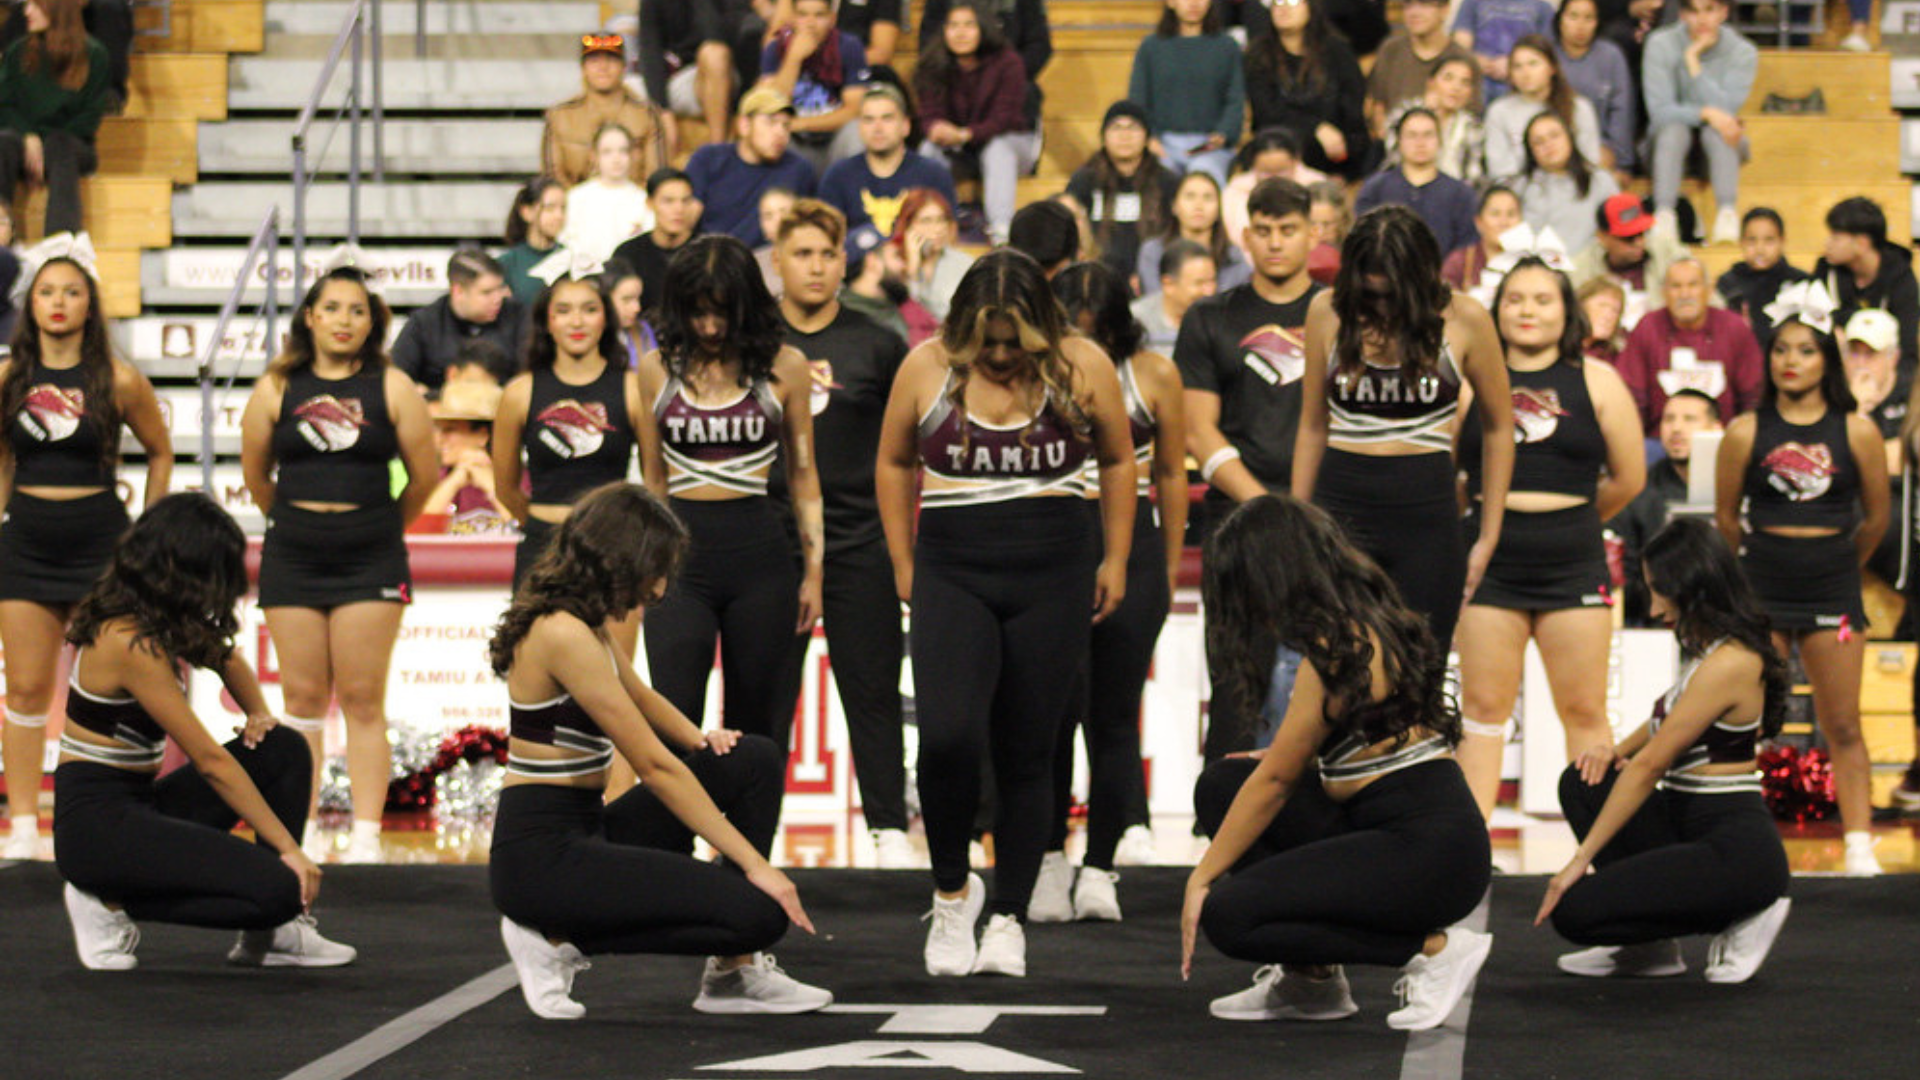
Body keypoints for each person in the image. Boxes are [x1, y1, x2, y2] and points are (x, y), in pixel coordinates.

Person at [876, 249, 1136, 978]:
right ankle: (954, 892)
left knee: (1029, 748)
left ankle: (1010, 917)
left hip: (1054, 571)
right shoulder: (926, 368)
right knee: (949, 738)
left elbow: (1118, 460)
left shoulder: (1082, 365)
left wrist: (1114, 558)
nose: (997, 355)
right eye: (984, 341)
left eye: (1011, 341)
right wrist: (904, 561)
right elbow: (894, 462)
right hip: (953, 571)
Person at [487, 482, 832, 1020]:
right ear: (619, 560)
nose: (661, 587)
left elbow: (643, 697)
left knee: (753, 759)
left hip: (586, 830)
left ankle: (733, 973)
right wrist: (757, 864)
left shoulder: (584, 623)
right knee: (760, 914)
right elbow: (653, 764)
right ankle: (554, 939)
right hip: (541, 856)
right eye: (656, 570)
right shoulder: (561, 633)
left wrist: (703, 740)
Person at [1182, 495, 1491, 1032]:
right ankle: (1312, 981)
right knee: (1224, 784)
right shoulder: (1361, 619)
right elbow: (1305, 755)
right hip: (1400, 829)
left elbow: (1277, 781)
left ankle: (1433, 949)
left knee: (1229, 916)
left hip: (1430, 853)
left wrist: (1200, 879)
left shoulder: (1339, 644)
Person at [53, 494, 356, 971]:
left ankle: (274, 935)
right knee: (280, 889)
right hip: (97, 827)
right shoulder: (128, 641)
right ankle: (107, 902)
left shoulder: (157, 615)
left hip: (139, 805)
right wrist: (289, 851)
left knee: (283, 749)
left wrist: (259, 713)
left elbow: (227, 657)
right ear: (185, 570)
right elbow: (211, 762)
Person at [1536, 517, 1791, 984]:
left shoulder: (1732, 661)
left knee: (1575, 912)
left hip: (1733, 850)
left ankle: (1748, 912)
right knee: (1584, 781)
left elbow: (1651, 763)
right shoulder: (1710, 649)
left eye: (1661, 590)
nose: (1653, 608)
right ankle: (1650, 950)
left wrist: (1575, 863)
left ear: (1695, 584)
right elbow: (1662, 722)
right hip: (1687, 823)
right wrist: (1610, 751)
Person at [240, 265, 439, 863]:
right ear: (310, 316)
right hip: (293, 553)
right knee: (300, 699)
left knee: (361, 697)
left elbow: (424, 477)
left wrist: (372, 527)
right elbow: (256, 475)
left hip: (371, 553)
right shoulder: (277, 385)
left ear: (372, 320)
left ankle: (366, 838)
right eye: (332, 308)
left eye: (357, 310)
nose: (344, 320)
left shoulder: (393, 385)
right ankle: (294, 838)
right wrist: (303, 522)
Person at [1454, 257, 1646, 818]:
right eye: (1516, 299)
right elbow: (1449, 478)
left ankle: (1595, 850)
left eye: (1543, 299)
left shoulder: (1599, 380)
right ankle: (1466, 858)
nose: (1528, 311)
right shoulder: (1469, 381)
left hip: (1574, 563)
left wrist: (1571, 520)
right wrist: (1488, 525)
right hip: (1489, 565)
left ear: (1569, 312)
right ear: (1497, 309)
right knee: (1483, 711)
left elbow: (1629, 479)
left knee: (1585, 711)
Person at [0, 236, 171, 861]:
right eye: (47, 292)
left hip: (103, 545)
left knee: (117, 687)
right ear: (31, 303)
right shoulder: (8, 377)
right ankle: (22, 826)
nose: (59, 303)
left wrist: (144, 534)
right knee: (23, 690)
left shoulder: (119, 378)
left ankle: (117, 818)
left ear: (90, 304)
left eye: (72, 292)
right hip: (26, 545)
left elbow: (160, 450)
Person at [1032, 261, 1187, 924]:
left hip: (1135, 546)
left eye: (1097, 331)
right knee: (1050, 716)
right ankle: (1045, 861)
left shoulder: (1153, 374)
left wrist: (1168, 562)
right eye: (1073, 330)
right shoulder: (1037, 372)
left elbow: (1174, 475)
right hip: (1057, 545)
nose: (1085, 343)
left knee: (1115, 716)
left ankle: (1101, 867)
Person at [1715, 284, 1888, 875]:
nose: (1792, 360)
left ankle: (1860, 845)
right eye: (1782, 349)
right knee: (1747, 722)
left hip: (1832, 589)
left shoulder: (1856, 431)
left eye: (1807, 350)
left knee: (1842, 722)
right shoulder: (1744, 431)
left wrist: (1837, 563)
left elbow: (1877, 519)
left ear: (1827, 360)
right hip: (1760, 585)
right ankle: (1738, 843)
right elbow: (1724, 518)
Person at [1295, 206, 1515, 653]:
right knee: (1339, 671)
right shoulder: (1326, 310)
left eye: (1391, 295)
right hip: (1340, 509)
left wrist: (1489, 535)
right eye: (1370, 295)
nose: (1380, 307)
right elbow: (1313, 425)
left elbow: (1499, 427)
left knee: (1420, 676)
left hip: (1427, 517)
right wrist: (1296, 523)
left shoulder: (1466, 318)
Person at [768, 199, 914, 867]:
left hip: (861, 538)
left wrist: (903, 546)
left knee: (873, 690)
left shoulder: (880, 340)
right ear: (777, 262)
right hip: (774, 540)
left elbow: (905, 455)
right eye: (803, 254)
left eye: (828, 255)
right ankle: (751, 836)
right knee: (767, 699)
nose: (817, 267)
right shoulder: (752, 342)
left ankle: (888, 830)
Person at [636, 235, 823, 755]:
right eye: (698, 314)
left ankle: (742, 840)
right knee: (672, 718)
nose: (712, 328)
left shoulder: (786, 366)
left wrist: (814, 572)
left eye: (723, 313)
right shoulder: (657, 367)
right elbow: (654, 479)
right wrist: (649, 564)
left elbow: (804, 477)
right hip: (680, 560)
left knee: (757, 721)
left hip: (761, 559)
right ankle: (666, 839)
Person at [1175, 178, 1321, 757]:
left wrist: (1303, 512)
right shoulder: (1210, 316)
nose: (1276, 243)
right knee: (1239, 683)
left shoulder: (1340, 314)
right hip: (1237, 525)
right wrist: (1266, 508)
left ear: (1314, 233)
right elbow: (1196, 428)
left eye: (1288, 230)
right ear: (1244, 236)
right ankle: (1224, 826)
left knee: (1331, 682)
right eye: (1264, 231)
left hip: (1327, 524)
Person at [914, 1, 1042, 246]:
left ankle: (1001, 232)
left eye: (968, 25)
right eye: (953, 26)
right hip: (959, 147)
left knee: (998, 149)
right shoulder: (932, 63)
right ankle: (930, 227)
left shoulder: (1008, 62)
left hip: (1011, 144)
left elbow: (1003, 119)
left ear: (984, 28)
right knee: (928, 150)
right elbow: (928, 113)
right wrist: (936, 129)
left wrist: (965, 134)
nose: (960, 33)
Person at [1642, 0, 1755, 246]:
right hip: (1664, 145)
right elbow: (1660, 112)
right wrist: (1705, 112)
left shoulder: (1743, 51)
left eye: (1709, 10)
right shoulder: (1660, 44)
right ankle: (1664, 215)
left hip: (1716, 148)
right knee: (1674, 130)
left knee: (1719, 131)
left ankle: (1727, 213)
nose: (1702, 19)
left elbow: (1725, 113)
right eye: (1693, 11)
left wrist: (1693, 63)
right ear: (1682, 14)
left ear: (1724, 12)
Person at [1608, 389, 1721, 625]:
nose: (1676, 428)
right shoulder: (1637, 490)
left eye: (1689, 419)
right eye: (1668, 419)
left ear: (1716, 429)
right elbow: (1625, 575)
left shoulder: (1737, 488)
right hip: (1657, 621)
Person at [0, 0, 112, 237]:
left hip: (71, 145)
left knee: (60, 145)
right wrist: (29, 137)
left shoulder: (95, 55)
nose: (26, 11)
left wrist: (44, 144)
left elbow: (88, 120)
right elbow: (5, 105)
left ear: (57, 9)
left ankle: (60, 241)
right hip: (25, 143)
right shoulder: (17, 52)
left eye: (35, 5)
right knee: (4, 143)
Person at [1616, 258, 1763, 430]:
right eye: (1676, 286)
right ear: (1663, 292)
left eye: (1693, 285)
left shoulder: (1734, 326)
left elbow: (1752, 395)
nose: (1684, 294)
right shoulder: (1648, 327)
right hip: (1658, 443)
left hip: (1724, 441)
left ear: (1709, 290)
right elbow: (1632, 396)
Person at [1243, 0, 1372, 181]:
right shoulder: (1258, 54)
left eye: (1293, 1)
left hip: (1335, 150)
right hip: (1279, 145)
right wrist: (1316, 128)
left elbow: (1352, 107)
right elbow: (1266, 112)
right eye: (1277, 2)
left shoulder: (1338, 51)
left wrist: (1342, 147)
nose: (1283, 7)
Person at [1128, 0, 1245, 185]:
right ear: (1171, 2)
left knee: (1204, 176)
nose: (1194, 3)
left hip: (1210, 145)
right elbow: (1138, 100)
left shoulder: (1227, 46)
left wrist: (1223, 133)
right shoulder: (1151, 46)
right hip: (1163, 142)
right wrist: (1149, 139)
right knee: (1158, 179)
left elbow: (1235, 98)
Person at [818, 83, 957, 237]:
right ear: (859, 127)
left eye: (887, 118)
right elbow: (826, 240)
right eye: (869, 120)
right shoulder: (838, 176)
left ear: (905, 126)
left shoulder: (934, 175)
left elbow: (949, 235)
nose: (877, 128)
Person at [685, 86, 816, 248]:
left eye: (786, 125)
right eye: (771, 122)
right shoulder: (709, 159)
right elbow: (685, 221)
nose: (780, 132)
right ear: (744, 125)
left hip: (771, 263)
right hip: (712, 259)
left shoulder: (799, 170)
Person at [1066, 102, 1179, 289]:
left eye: (1133, 128)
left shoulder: (1166, 182)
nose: (1124, 136)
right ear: (1103, 137)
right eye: (1116, 127)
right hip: (1094, 279)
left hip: (1153, 279)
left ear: (1147, 137)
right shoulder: (1084, 181)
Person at [1811, 197, 1920, 384]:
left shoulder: (1901, 279)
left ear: (1861, 243)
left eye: (1835, 237)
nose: (1827, 244)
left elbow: (1906, 347)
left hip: (1884, 379)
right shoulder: (1825, 271)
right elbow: (1815, 323)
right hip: (1835, 377)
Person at [391, 250, 529, 393]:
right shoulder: (423, 323)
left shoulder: (519, 316)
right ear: (458, 291)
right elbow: (397, 380)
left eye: (500, 288)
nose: (498, 299)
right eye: (487, 292)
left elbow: (530, 378)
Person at [759, 0, 871, 176]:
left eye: (819, 15)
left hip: (835, 139)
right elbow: (771, 105)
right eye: (803, 15)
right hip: (793, 142)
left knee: (857, 131)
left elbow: (854, 111)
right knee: (768, 131)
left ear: (832, 19)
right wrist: (793, 59)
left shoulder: (849, 46)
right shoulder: (776, 48)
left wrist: (803, 124)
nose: (810, 23)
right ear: (793, 18)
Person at [541, 31, 667, 188]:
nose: (603, 67)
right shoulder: (559, 116)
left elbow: (655, 178)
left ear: (623, 67)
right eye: (594, 60)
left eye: (611, 60)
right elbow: (552, 178)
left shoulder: (646, 114)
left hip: (634, 206)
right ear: (583, 68)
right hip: (574, 207)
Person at [1353, 108, 1478, 258]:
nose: (1420, 143)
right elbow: (1362, 242)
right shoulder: (1375, 189)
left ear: (1440, 140)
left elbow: (1466, 248)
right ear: (1399, 141)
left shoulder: (1461, 194)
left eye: (1428, 135)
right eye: (1412, 136)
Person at [1484, 35, 1607, 180]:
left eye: (1533, 64)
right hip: (1520, 192)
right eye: (1517, 66)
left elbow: (1590, 161)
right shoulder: (1499, 111)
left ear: (1552, 67)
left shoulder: (1579, 108)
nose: (1526, 73)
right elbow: (1499, 169)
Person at [1365, 0, 1480, 139]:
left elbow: (1471, 118)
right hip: (1395, 146)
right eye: (1408, 5)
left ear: (1444, 10)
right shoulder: (1390, 50)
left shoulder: (1464, 60)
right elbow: (1377, 105)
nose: (1414, 12)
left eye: (1424, 4)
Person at [415, 378, 513, 537]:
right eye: (439, 430)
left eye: (450, 430)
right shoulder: (436, 479)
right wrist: (454, 481)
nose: (439, 439)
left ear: (483, 435)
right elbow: (416, 534)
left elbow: (529, 534)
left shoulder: (517, 478)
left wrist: (490, 484)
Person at [1512, 112, 1618, 257]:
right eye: (1538, 142)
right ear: (1531, 151)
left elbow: (1617, 231)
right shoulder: (1520, 188)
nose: (1548, 145)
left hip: (1591, 270)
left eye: (1554, 136)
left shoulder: (1600, 181)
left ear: (1570, 137)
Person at [636, 0, 734, 154]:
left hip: (716, 74)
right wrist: (663, 111)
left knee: (714, 53)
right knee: (625, 84)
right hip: (675, 79)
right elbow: (650, 51)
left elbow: (717, 35)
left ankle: (718, 152)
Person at [1555, 0, 1637, 178]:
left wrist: (1622, 163)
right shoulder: (1549, 56)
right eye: (1573, 16)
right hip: (1555, 145)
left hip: (1601, 148)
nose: (1580, 25)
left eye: (1588, 18)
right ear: (1560, 19)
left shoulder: (1611, 56)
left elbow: (1621, 113)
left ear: (1597, 22)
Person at [1137, 171, 1251, 298]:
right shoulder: (1153, 251)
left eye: (1208, 198)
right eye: (1190, 196)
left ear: (1219, 209)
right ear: (1174, 206)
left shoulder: (1233, 257)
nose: (1199, 206)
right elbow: (1155, 300)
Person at [1568, 192, 1689, 310]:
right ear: (1602, 237)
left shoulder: (1669, 252)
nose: (1639, 242)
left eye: (1642, 233)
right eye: (1629, 238)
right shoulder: (1582, 268)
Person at [1220, 129, 1329, 257]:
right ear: (1253, 166)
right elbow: (1238, 239)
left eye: (1281, 171)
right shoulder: (1236, 190)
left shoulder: (1317, 184)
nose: (1274, 180)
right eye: (1266, 173)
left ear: (1296, 161)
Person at [1381, 56, 1487, 186]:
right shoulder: (1404, 113)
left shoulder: (1472, 127)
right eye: (1448, 78)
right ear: (1431, 83)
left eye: (1465, 82)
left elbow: (1473, 175)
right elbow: (1393, 154)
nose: (1456, 88)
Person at [559, 123, 655, 264]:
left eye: (623, 151)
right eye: (607, 152)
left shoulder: (643, 199)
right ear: (594, 156)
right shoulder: (576, 197)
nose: (616, 159)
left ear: (632, 155)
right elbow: (565, 241)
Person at [612, 168, 703, 316]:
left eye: (685, 201)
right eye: (668, 201)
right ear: (650, 203)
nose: (678, 209)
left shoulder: (707, 253)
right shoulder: (628, 254)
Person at [1713, 207, 1809, 347]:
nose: (1760, 249)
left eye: (1769, 240)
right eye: (1752, 240)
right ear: (1741, 242)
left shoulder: (1801, 282)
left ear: (1782, 241)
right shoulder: (1728, 282)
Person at [888, 187, 973, 324]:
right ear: (908, 225)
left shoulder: (964, 264)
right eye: (926, 221)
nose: (938, 228)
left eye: (941, 220)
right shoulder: (892, 262)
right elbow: (902, 317)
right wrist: (913, 270)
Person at [1452, 0, 1556, 100]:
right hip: (1478, 83)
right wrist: (1476, 61)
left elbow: (1546, 52)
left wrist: (1513, 64)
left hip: (1521, 88)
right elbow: (1460, 46)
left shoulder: (1542, 7)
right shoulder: (1472, 2)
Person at [1132, 239, 1216, 352]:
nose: (1209, 291)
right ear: (1168, 284)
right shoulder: (1136, 320)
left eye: (1212, 281)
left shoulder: (1221, 319)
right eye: (1199, 283)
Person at [496, 178, 568, 307]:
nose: (559, 216)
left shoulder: (571, 259)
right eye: (550, 208)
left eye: (563, 208)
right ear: (527, 213)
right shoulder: (508, 264)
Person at [1443, 185, 1523, 290]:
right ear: (1478, 222)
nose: (1504, 222)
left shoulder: (1529, 263)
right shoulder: (1460, 262)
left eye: (1511, 214)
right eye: (1495, 214)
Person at [601, 258, 655, 368]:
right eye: (627, 300)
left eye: (638, 299)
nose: (637, 308)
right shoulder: (593, 338)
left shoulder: (642, 330)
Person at [1579, 273, 1628, 361]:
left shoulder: (1616, 358)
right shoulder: (1555, 346)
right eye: (1602, 305)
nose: (1609, 316)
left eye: (1615, 310)